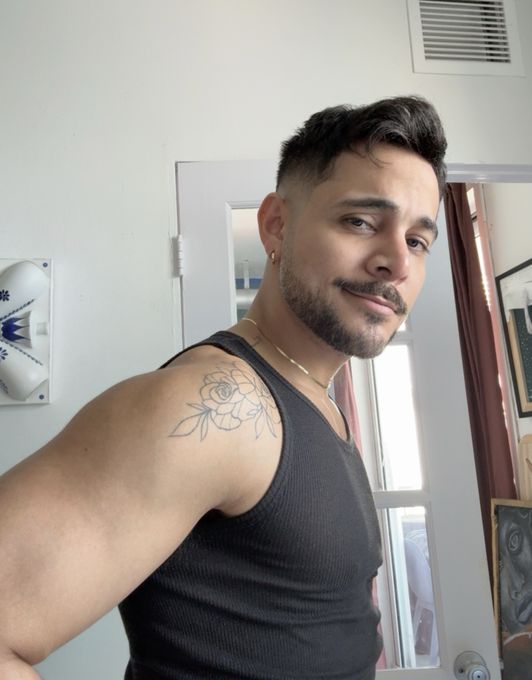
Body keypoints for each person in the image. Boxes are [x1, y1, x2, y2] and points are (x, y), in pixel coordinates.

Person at [0, 96, 446, 680]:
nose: (397, 263)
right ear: (276, 225)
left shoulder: (318, 402)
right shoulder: (215, 406)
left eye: (417, 241)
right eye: (361, 221)